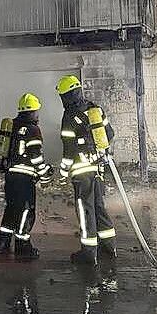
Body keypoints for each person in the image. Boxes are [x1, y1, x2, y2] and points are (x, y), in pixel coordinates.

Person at [56, 75, 117, 265]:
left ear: (65, 96)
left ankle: (89, 253)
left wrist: (64, 171)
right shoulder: (94, 109)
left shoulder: (69, 117)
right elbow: (110, 134)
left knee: (85, 209)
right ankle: (109, 247)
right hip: (98, 168)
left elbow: (69, 149)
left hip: (81, 172)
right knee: (99, 206)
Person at [0, 93, 53, 260]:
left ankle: (3, 242)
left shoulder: (11, 125)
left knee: (11, 208)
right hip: (25, 179)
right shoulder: (33, 130)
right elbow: (36, 157)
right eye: (36, 111)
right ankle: (23, 247)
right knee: (26, 211)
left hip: (10, 176)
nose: (38, 115)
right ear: (32, 112)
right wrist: (45, 174)